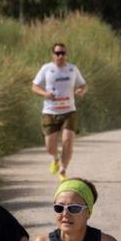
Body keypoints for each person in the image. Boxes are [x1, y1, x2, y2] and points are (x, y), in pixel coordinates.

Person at [32, 42, 88, 181]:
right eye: (58, 53)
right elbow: (34, 86)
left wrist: (81, 91)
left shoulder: (72, 69)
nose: (61, 56)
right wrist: (45, 94)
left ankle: (63, 170)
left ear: (66, 54)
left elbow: (83, 84)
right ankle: (56, 158)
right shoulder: (46, 69)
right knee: (50, 147)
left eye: (63, 53)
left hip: (69, 111)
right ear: (53, 55)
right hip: (50, 112)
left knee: (67, 141)